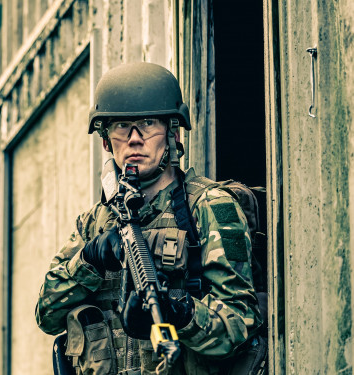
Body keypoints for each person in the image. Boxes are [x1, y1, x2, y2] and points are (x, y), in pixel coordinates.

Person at [36, 62, 262, 374]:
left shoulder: (209, 207)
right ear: (105, 141)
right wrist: (88, 260)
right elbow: (46, 316)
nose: (134, 138)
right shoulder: (94, 223)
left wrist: (181, 314)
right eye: (120, 126)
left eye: (147, 123)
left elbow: (240, 324)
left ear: (172, 133)